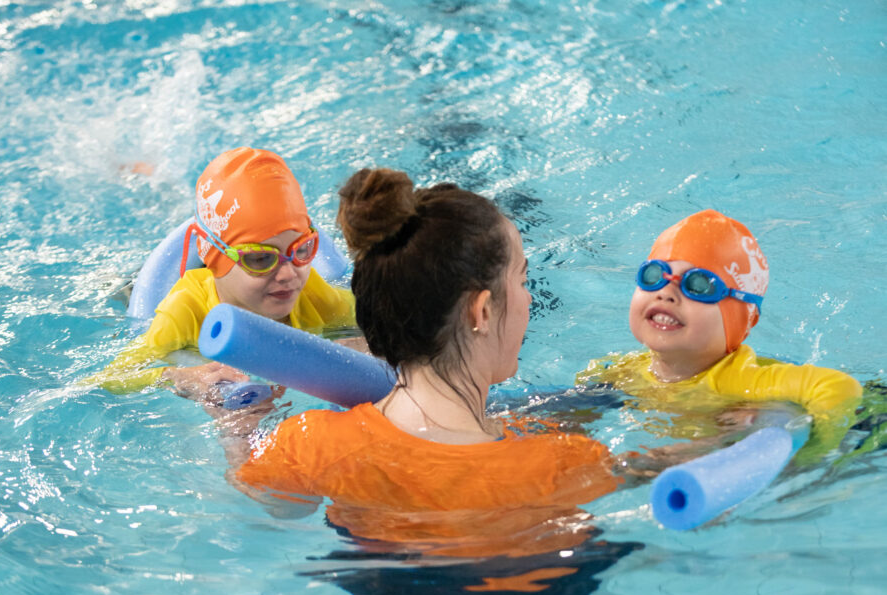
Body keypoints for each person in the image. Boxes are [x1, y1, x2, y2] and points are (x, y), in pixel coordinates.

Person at [230, 167, 632, 542]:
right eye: (523, 279)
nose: (527, 298)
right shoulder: (563, 464)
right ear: (483, 311)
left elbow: (278, 505)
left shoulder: (310, 443)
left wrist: (236, 422)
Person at [576, 209, 863, 460]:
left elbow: (841, 388)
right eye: (654, 275)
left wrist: (805, 458)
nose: (666, 293)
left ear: (741, 320)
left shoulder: (745, 381)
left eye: (698, 285)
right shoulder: (616, 372)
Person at [92, 147, 357, 401]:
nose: (289, 274)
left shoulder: (311, 291)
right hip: (148, 289)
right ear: (214, 256)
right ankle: (141, 181)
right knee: (123, 289)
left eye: (302, 250)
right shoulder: (184, 312)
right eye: (261, 258)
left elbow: (385, 316)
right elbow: (107, 379)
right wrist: (175, 376)